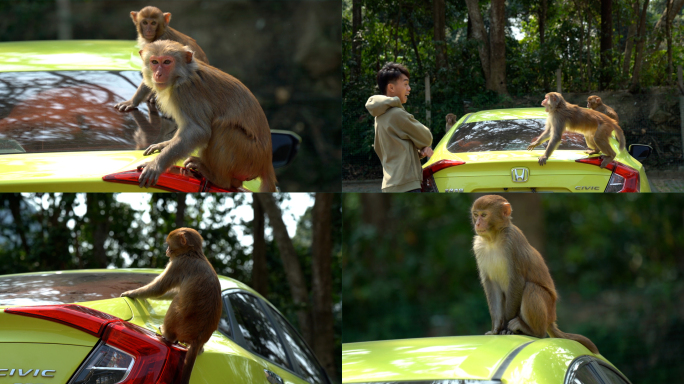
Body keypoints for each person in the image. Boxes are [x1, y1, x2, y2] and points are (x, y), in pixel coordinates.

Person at [366, 62, 433, 193]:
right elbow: (426, 138)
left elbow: (393, 151)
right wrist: (423, 146)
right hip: (407, 185)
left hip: (390, 184)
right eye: (405, 84)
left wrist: (418, 154)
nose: (409, 88)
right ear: (391, 87)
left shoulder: (379, 116)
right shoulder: (397, 114)